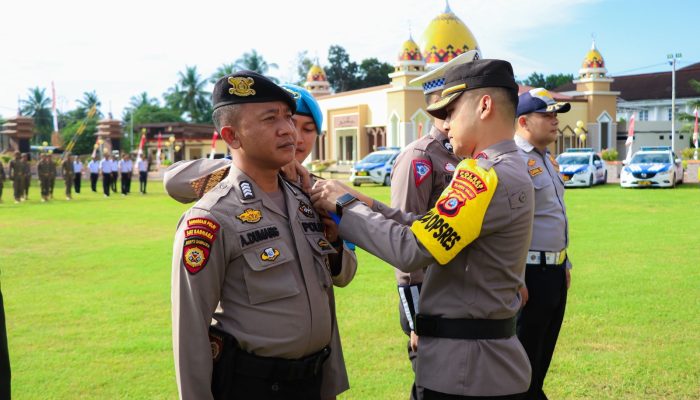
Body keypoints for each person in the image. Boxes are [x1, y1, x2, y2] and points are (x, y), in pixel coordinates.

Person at [311, 59, 535, 399]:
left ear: (484, 105)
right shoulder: (509, 167)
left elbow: (411, 248)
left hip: (464, 371)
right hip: (481, 363)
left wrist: (343, 209)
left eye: (452, 110)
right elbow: (428, 227)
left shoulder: (482, 174)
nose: (445, 124)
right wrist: (362, 201)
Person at [172, 72, 355, 400]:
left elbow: (343, 275)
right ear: (233, 135)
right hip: (252, 385)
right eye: (271, 119)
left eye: (287, 117)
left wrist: (337, 239)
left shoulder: (304, 198)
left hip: (313, 381)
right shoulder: (211, 217)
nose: (289, 130)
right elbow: (190, 330)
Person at [391, 50, 477, 400]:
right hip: (428, 301)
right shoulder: (420, 157)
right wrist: (416, 320)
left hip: (462, 296)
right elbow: (403, 241)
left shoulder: (465, 153)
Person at [513, 88, 572, 400]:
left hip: (554, 272)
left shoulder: (547, 160)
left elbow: (554, 217)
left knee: (542, 355)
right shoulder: (513, 161)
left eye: (556, 114)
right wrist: (517, 276)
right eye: (547, 115)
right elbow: (511, 226)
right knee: (523, 358)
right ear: (523, 121)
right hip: (529, 277)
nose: (554, 121)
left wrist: (565, 263)